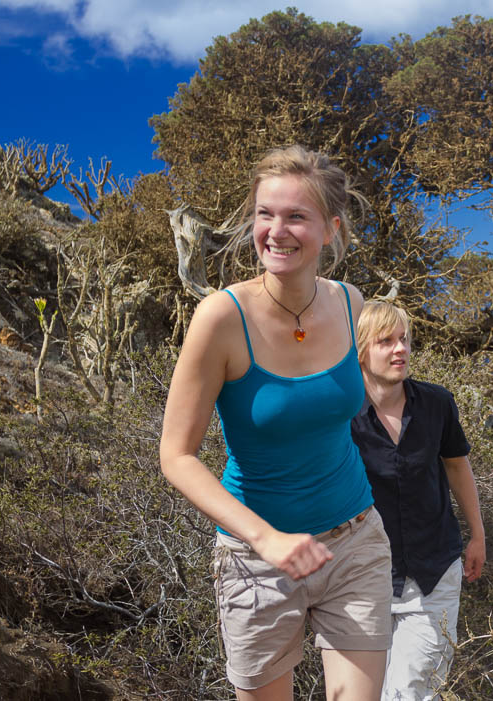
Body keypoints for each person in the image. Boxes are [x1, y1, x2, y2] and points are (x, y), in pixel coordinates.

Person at [159, 146, 392, 701]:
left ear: (331, 230)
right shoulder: (221, 318)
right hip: (255, 559)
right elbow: (176, 456)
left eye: (296, 216)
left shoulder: (350, 302)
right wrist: (266, 539)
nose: (276, 231)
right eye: (265, 214)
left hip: (354, 542)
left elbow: (338, 411)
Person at [350, 301, 486, 701]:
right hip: (362, 578)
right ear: (361, 350)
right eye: (386, 341)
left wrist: (477, 534)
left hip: (433, 573)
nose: (401, 349)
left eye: (405, 339)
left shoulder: (436, 403)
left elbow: (457, 466)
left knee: (410, 693)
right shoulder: (340, 415)